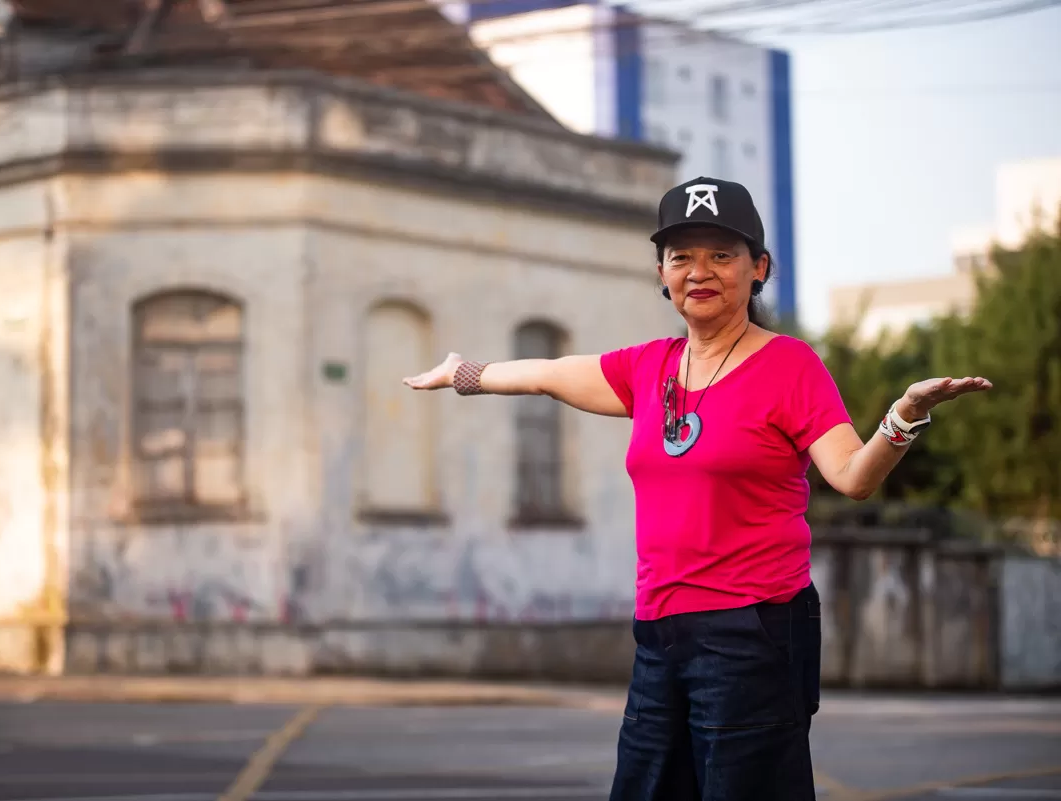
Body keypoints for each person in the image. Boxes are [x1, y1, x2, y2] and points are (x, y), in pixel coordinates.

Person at [401, 175, 991, 801]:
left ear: (758, 267)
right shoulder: (648, 368)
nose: (699, 271)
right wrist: (461, 373)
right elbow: (548, 373)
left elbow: (852, 477)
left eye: (721, 254)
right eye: (682, 256)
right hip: (659, 632)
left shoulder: (790, 366)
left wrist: (902, 418)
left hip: (753, 630)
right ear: (661, 271)